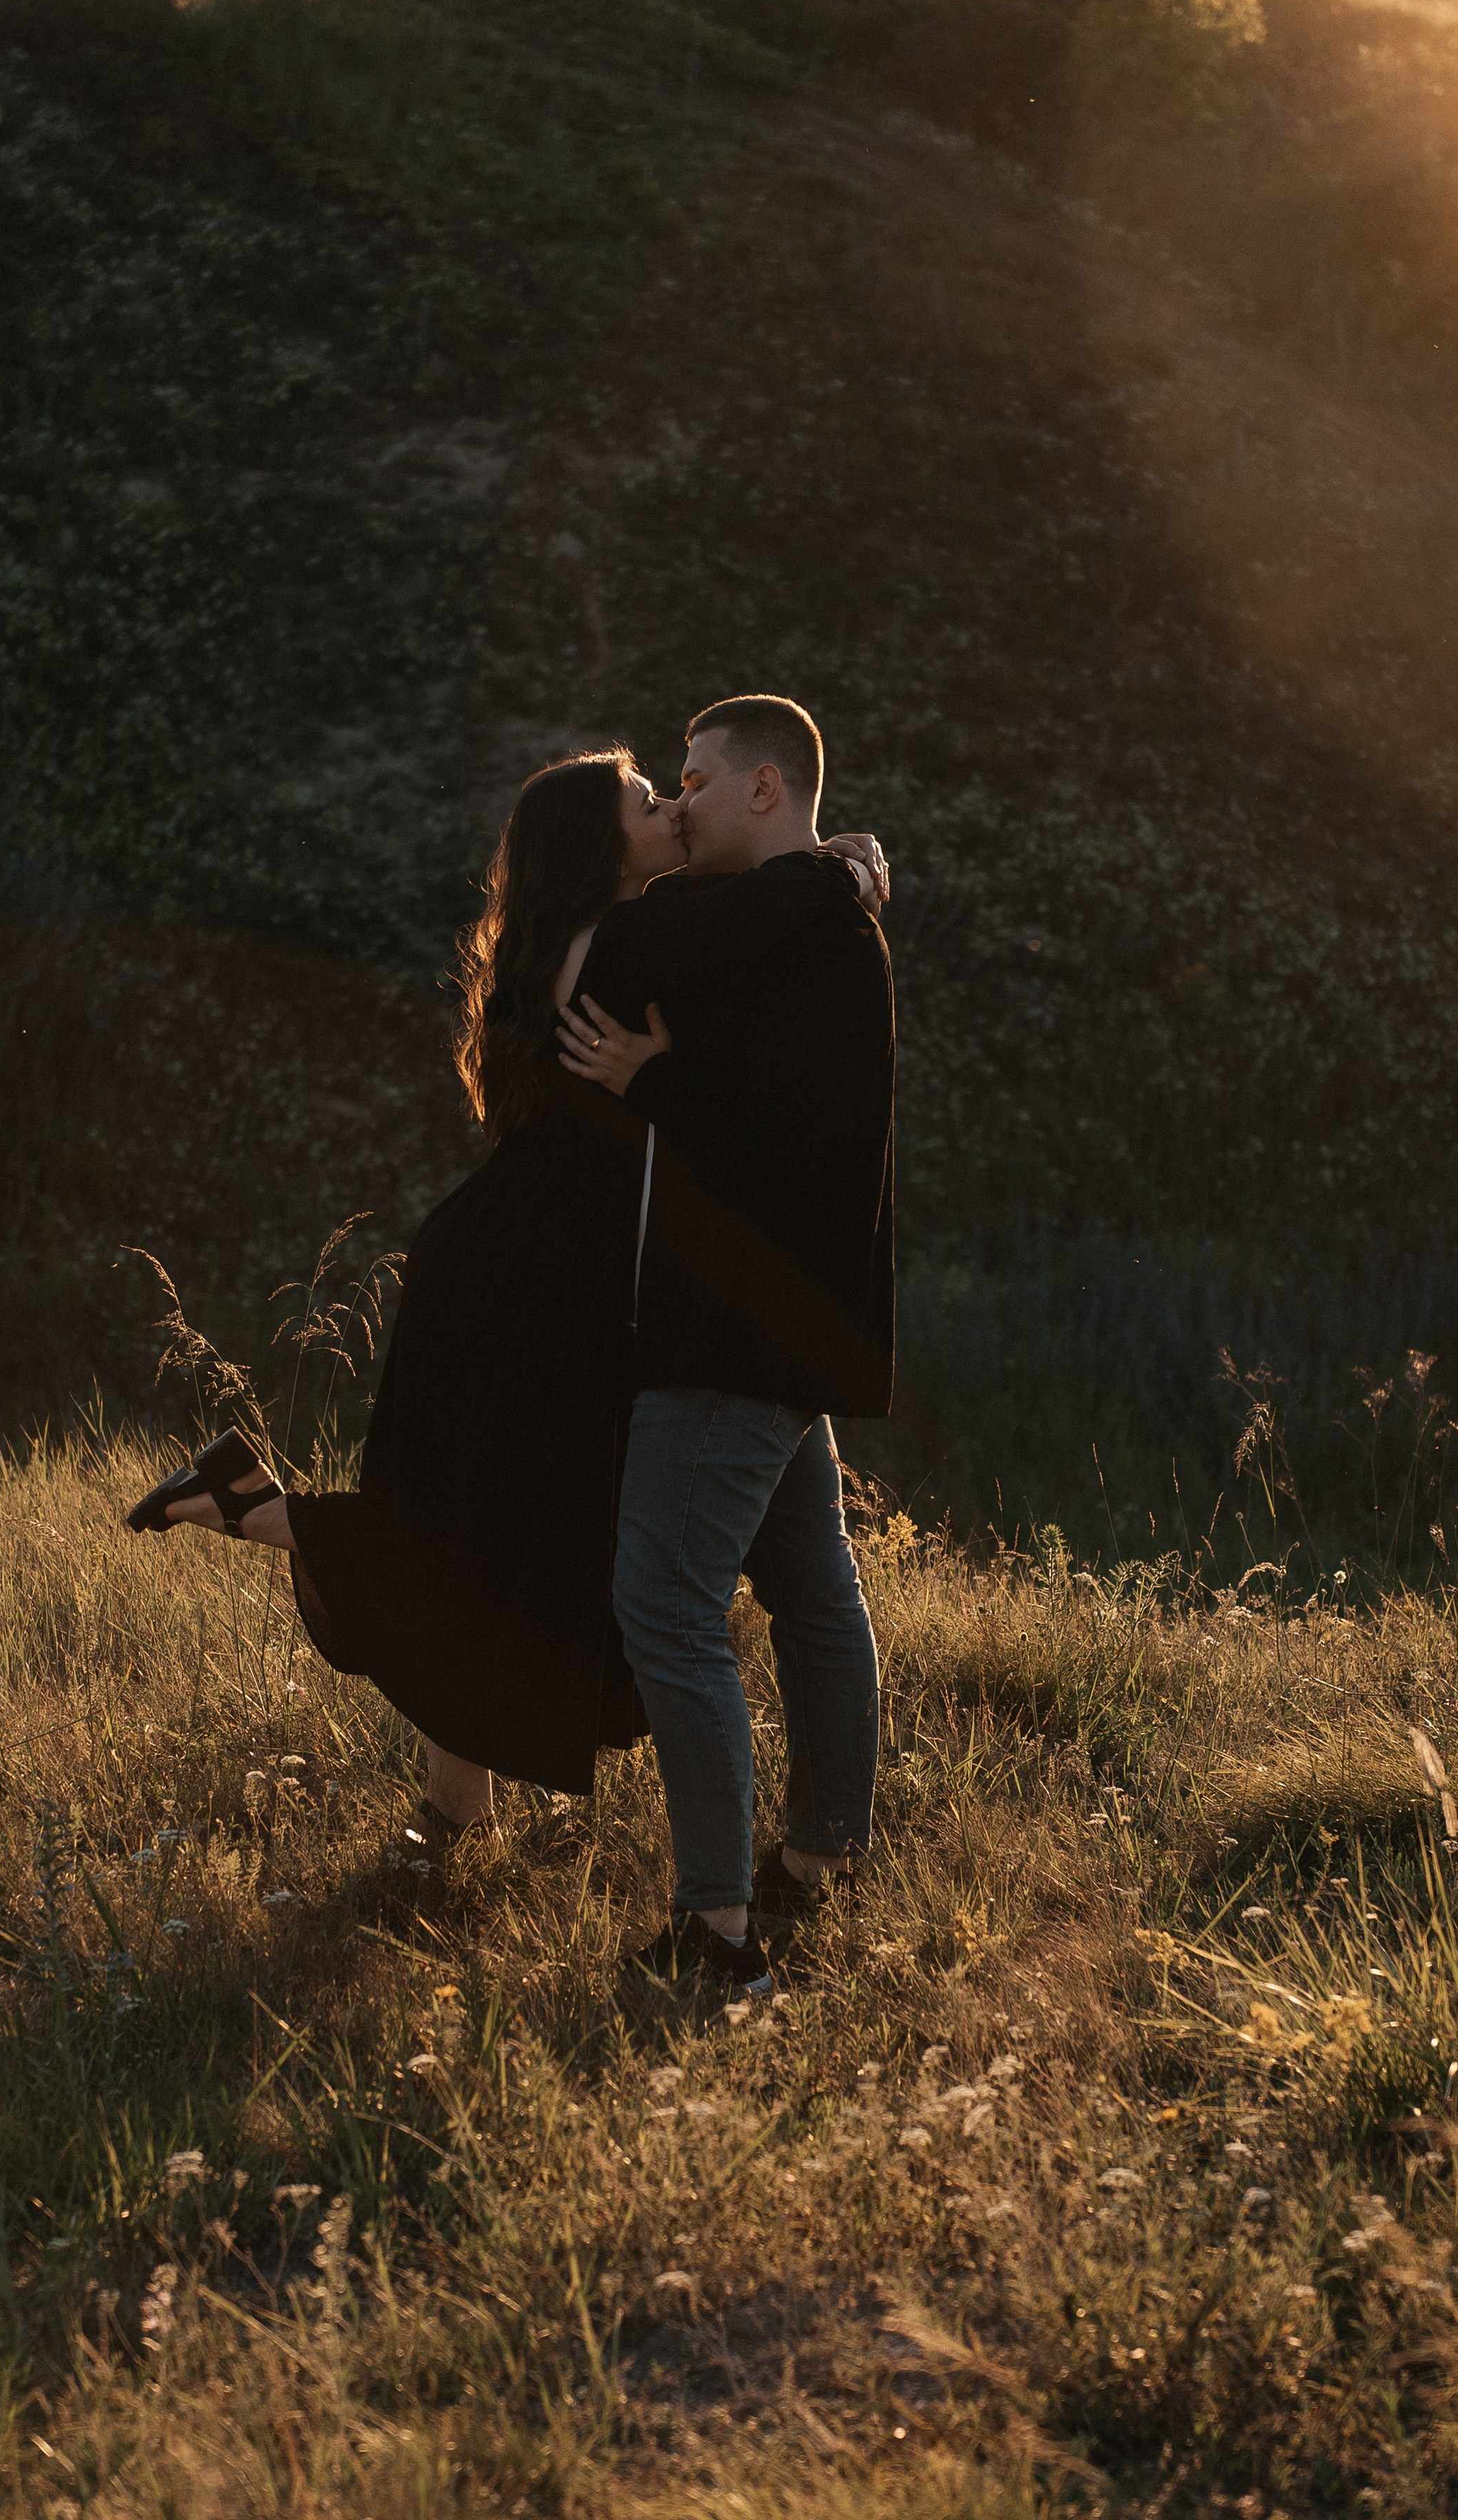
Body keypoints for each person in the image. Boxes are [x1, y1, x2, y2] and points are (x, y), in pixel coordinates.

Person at [125, 742, 888, 1860]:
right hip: (534, 1286)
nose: (670, 805)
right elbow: (755, 924)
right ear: (597, 842)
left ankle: (447, 1796)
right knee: (493, 1534)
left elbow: (724, 921)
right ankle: (253, 1514)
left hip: (504, 1264)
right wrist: (839, 868)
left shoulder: (571, 942)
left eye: (673, 788)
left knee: (488, 1530)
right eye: (645, 798)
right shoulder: (629, 943)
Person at [556, 694, 895, 2002]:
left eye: (695, 779)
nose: (680, 800)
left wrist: (658, 1084)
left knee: (669, 1609)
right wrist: (844, 869)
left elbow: (794, 1151)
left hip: (738, 1333)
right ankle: (825, 1856)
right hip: (773, 1323)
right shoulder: (800, 922)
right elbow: (657, 942)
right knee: (814, 1588)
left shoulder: (817, 942)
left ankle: (719, 1935)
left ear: (765, 789)